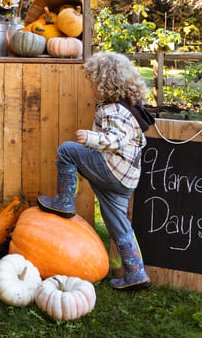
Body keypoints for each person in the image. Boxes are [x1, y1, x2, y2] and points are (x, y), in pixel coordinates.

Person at [37, 51, 156, 291]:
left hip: (113, 169)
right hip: (127, 179)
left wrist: (91, 138)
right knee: (117, 223)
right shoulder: (129, 107)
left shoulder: (113, 110)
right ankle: (136, 273)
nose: (90, 86)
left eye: (92, 81)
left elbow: (117, 139)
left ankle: (64, 202)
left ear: (105, 83)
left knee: (67, 150)